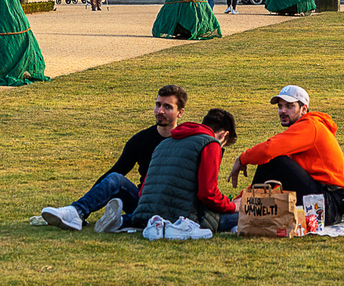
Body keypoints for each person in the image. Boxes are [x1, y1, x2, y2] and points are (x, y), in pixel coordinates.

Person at [41, 85, 188, 230]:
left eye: (167, 107)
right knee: (115, 178)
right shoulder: (141, 140)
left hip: (171, 206)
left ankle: (121, 221)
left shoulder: (187, 142)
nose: (160, 111)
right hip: (143, 201)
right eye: (158, 105)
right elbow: (115, 172)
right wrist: (85, 202)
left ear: (180, 113)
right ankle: (76, 212)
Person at [226, 85, 344, 226]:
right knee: (274, 161)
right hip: (326, 201)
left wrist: (242, 159)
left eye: (289, 106)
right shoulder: (302, 131)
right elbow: (274, 174)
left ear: (304, 109)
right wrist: (242, 197)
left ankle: (243, 208)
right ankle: (243, 205)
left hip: (329, 205)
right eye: (280, 106)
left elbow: (268, 150)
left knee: (275, 159)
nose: (282, 111)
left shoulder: (309, 126)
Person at [97, 108, 239, 236]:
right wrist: (233, 206)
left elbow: (143, 190)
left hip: (146, 212)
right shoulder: (211, 144)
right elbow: (207, 193)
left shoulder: (165, 143)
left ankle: (122, 221)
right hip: (185, 217)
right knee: (248, 215)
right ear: (223, 135)